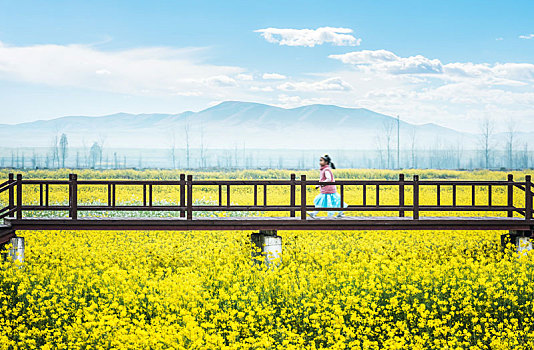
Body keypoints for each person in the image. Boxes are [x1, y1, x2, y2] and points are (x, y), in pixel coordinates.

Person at [308, 154, 348, 219]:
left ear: (326, 162)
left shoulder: (326, 170)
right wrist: (318, 185)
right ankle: (340, 212)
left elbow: (328, 179)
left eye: (321, 161)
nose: (320, 162)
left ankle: (316, 213)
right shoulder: (324, 169)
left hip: (328, 189)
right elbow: (322, 179)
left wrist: (322, 184)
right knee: (331, 201)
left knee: (327, 202)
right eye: (320, 160)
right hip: (327, 189)